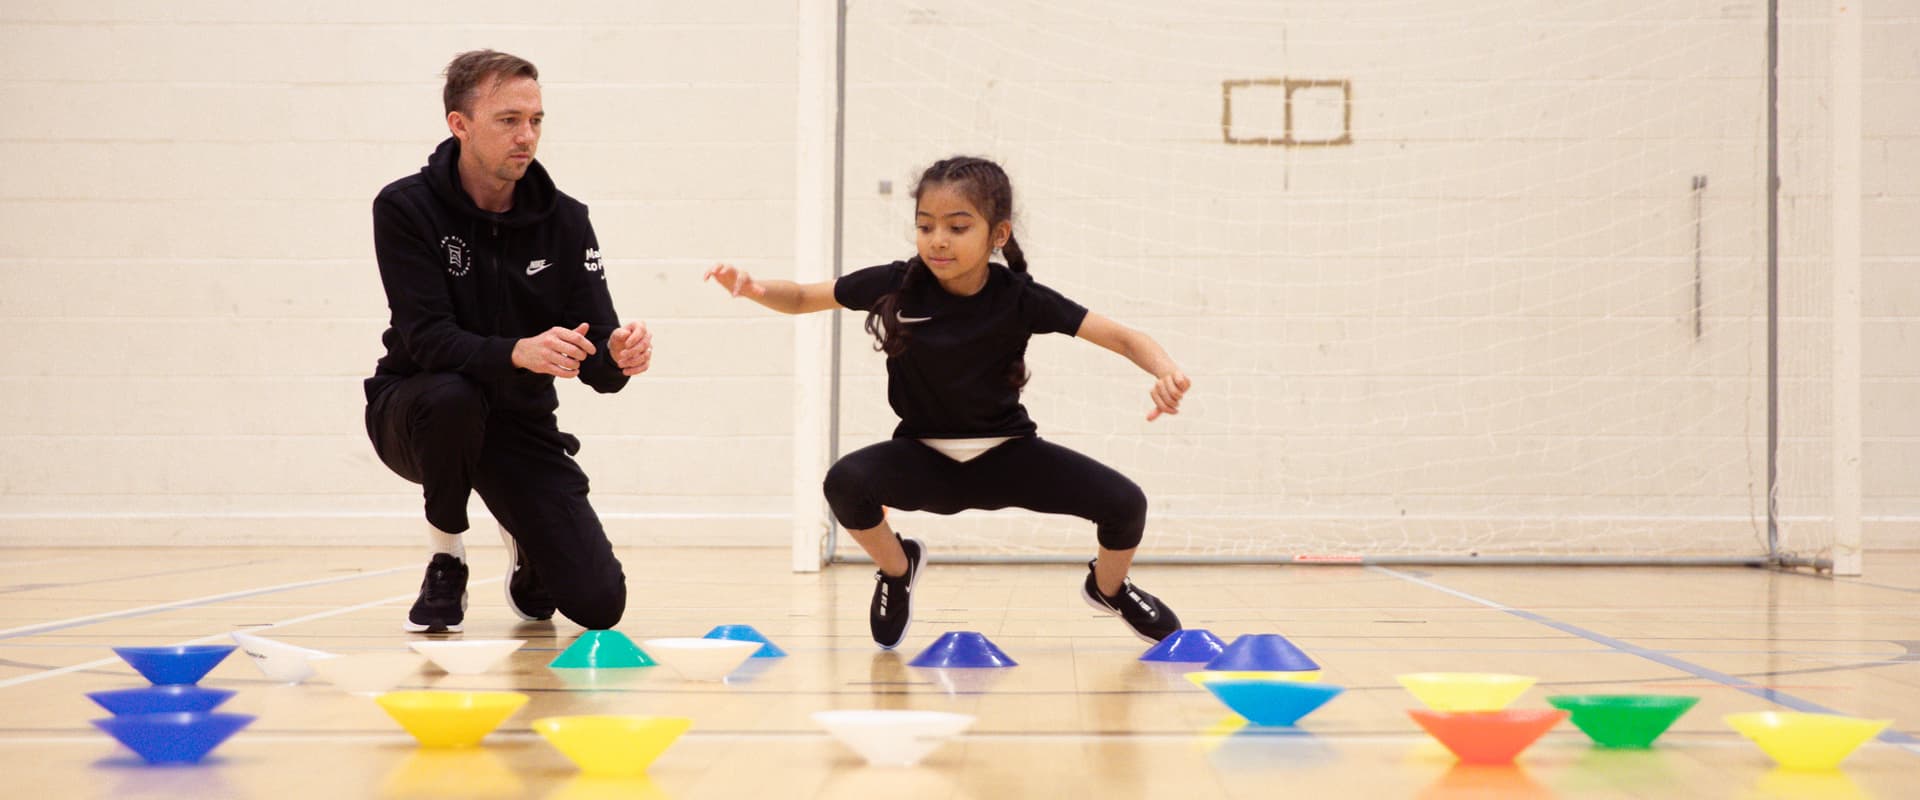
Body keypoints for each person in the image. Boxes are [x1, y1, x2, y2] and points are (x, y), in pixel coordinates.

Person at [705, 156, 1192, 647]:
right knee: (845, 483)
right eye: (925, 226)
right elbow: (805, 297)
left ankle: (1108, 588)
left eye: (958, 227)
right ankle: (899, 569)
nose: (938, 239)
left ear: (997, 235)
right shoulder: (897, 284)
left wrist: (1165, 370)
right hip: (923, 457)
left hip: (1010, 455)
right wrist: (756, 289)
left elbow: (1124, 337)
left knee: (1126, 504)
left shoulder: (1019, 297)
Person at [365, 50, 652, 633]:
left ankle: (527, 543)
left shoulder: (567, 220)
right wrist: (516, 351)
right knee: (454, 396)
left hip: (518, 424)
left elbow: (593, 345)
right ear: (459, 124)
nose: (527, 135)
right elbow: (427, 339)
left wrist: (617, 357)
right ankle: (446, 557)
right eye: (509, 120)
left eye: (537, 120)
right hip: (417, 412)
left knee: (599, 606)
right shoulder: (405, 208)